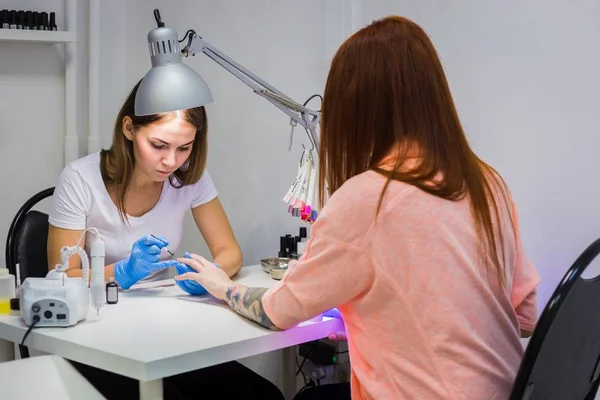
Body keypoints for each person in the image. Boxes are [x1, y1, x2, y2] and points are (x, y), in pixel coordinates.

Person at [173, 15, 541, 400]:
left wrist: (223, 287)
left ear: (356, 110)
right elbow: (525, 318)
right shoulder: (487, 182)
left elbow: (277, 312)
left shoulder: (368, 198)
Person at [46, 79, 285, 400]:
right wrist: (120, 272)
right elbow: (63, 276)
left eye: (184, 148)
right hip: (95, 335)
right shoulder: (80, 179)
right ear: (129, 128)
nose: (171, 161)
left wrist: (209, 275)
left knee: (260, 395)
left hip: (159, 330)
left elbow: (230, 252)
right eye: (159, 145)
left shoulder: (188, 178)